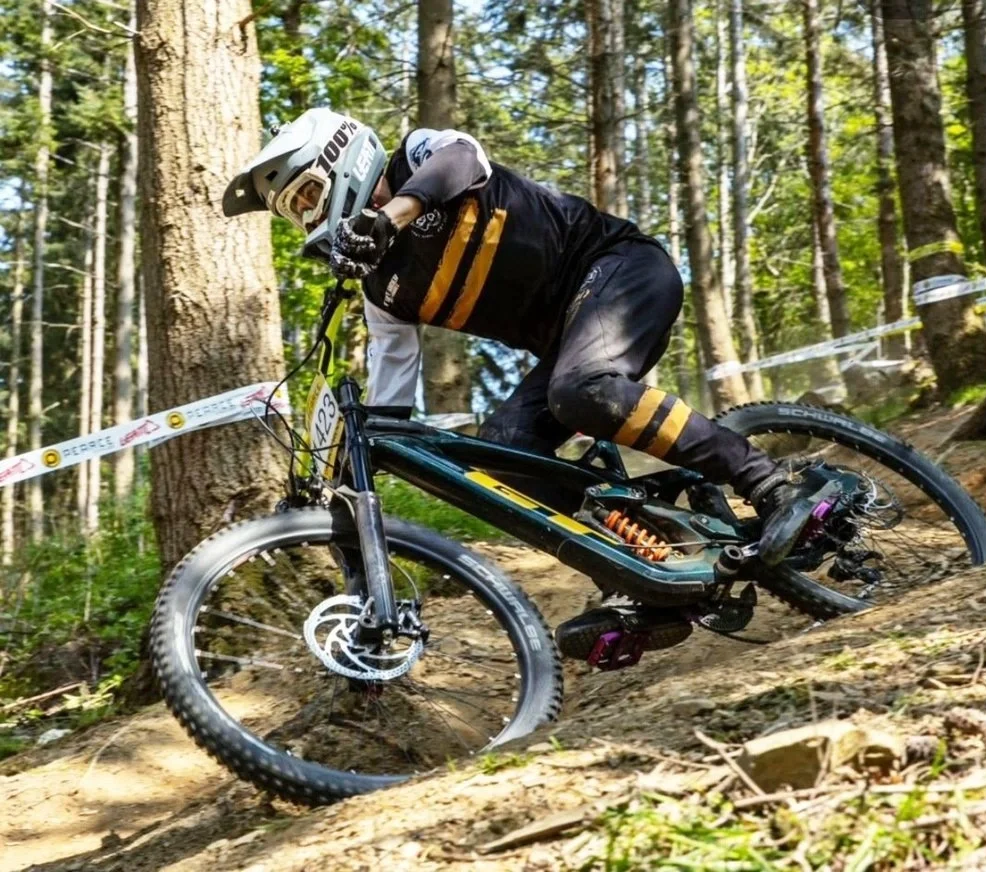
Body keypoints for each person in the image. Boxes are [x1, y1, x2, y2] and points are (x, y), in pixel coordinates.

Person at [223, 108, 827, 649]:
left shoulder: (420, 154)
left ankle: (771, 483)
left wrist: (394, 215)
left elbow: (464, 160)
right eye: (294, 212)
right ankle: (645, 573)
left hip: (621, 270)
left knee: (580, 390)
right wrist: (340, 477)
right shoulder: (384, 292)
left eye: (305, 196)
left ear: (341, 158)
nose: (306, 216)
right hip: (569, 345)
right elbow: (391, 405)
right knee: (501, 459)